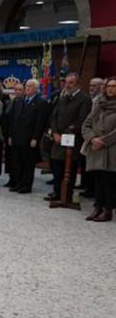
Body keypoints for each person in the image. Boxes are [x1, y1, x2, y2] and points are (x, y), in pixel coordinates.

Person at [45, 73, 92, 202]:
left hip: (72, 140)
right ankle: (57, 192)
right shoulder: (62, 97)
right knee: (56, 166)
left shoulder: (84, 98)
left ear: (78, 84)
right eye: (66, 82)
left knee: (69, 168)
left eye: (70, 83)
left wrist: (66, 133)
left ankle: (67, 194)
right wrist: (55, 132)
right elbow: (54, 116)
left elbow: (82, 119)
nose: (67, 85)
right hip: (57, 138)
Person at [82, 77, 116, 221]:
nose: (111, 88)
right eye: (109, 86)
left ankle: (108, 210)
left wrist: (104, 141)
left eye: (114, 86)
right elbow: (86, 124)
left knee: (110, 181)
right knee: (98, 179)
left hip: (112, 149)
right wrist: (92, 138)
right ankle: (98, 207)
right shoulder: (98, 104)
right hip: (96, 148)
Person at [9, 79, 48, 194]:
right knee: (17, 162)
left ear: (36, 89)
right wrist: (11, 135)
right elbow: (13, 120)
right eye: (26, 86)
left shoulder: (41, 103)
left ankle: (26, 185)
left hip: (29, 138)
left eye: (30, 86)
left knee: (28, 163)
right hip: (17, 136)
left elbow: (40, 123)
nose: (27, 88)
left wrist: (35, 138)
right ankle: (17, 183)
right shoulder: (18, 101)